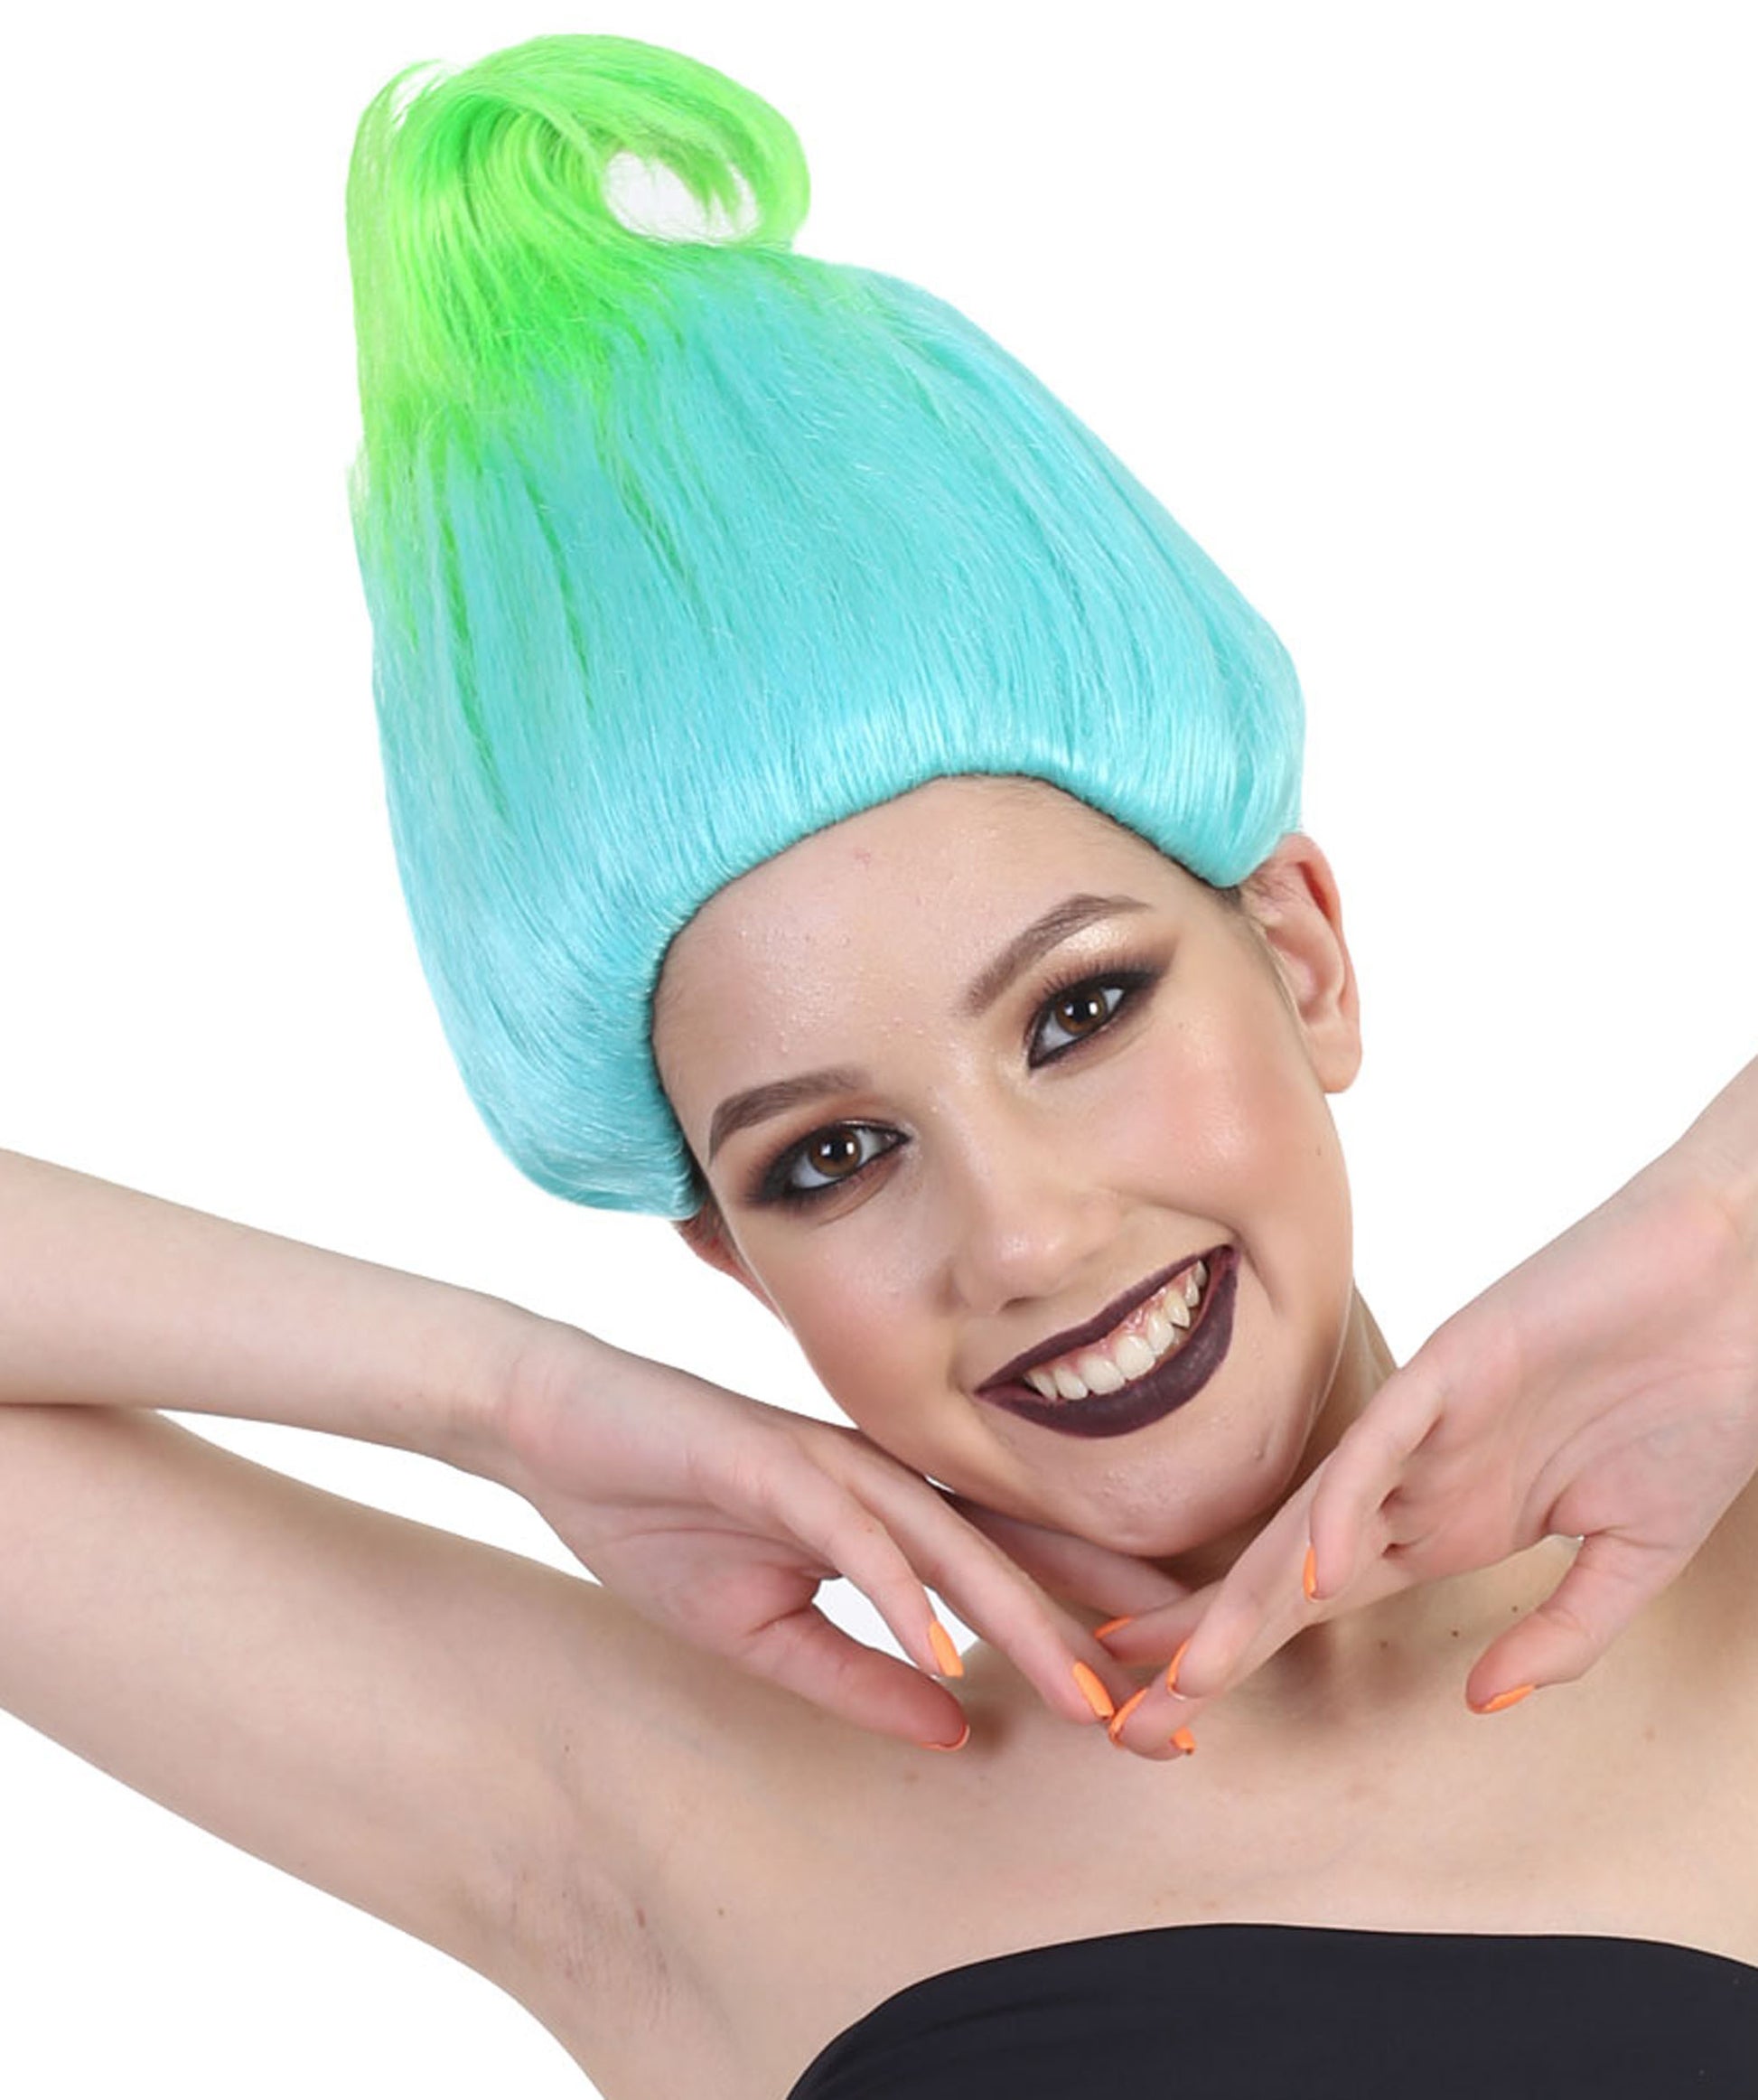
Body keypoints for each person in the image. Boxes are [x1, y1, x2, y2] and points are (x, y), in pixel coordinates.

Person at [4, 28, 1756, 2099]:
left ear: (1300, 954)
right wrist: (516, 1400)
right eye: (830, 1157)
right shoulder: (641, 1809)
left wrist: (1726, 1222)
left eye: (1078, 1013)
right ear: (728, 1256)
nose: (1019, 1237)